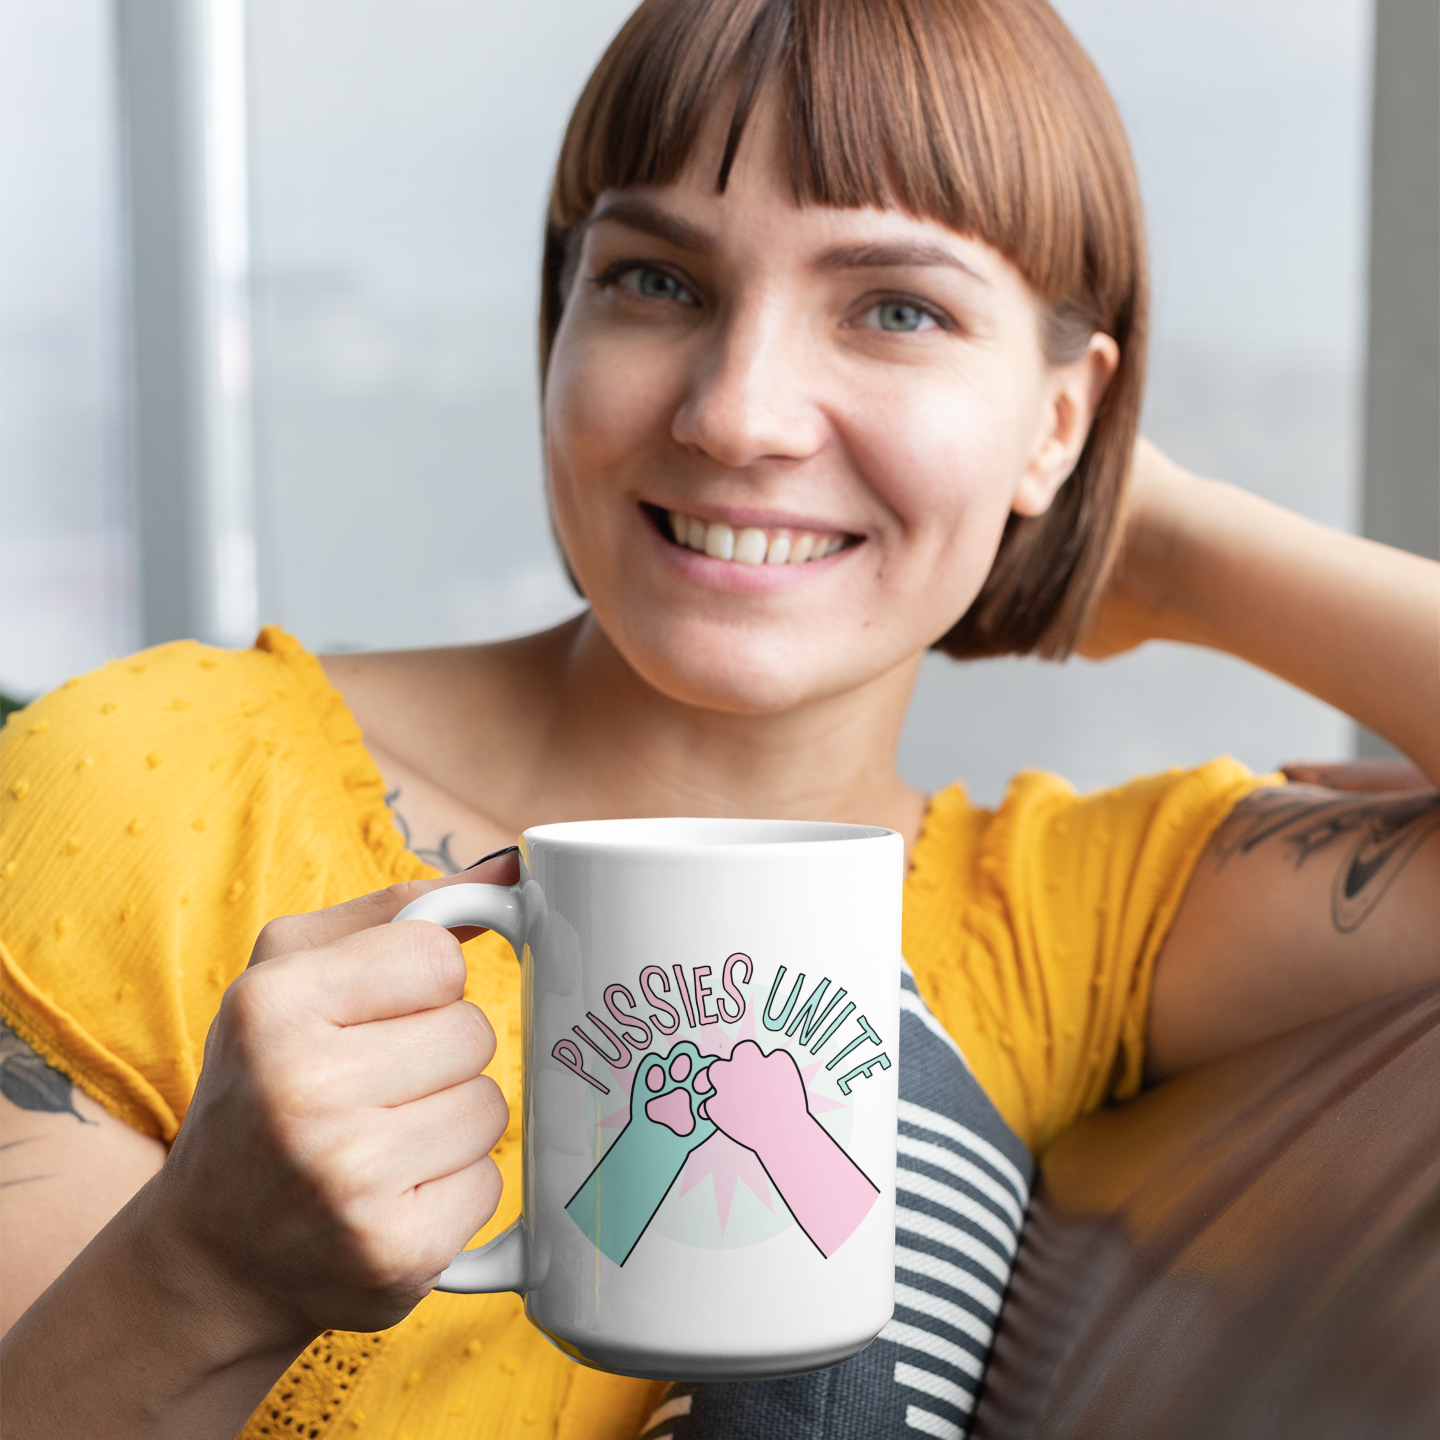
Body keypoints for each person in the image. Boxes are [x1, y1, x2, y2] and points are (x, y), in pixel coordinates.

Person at [1, 0, 1436, 1436]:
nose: (740, 414)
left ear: (1058, 419)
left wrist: (1174, 541)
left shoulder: (1063, 918)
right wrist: (205, 1274)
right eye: (657, 283)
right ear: (560, 322)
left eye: (897, 309)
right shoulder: (148, 775)